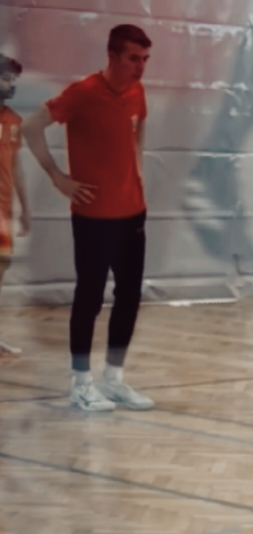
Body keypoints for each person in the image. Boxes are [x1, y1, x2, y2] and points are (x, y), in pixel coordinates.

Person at [23, 24, 156, 411]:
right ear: (112, 56)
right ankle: (80, 383)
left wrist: (137, 173)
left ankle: (113, 378)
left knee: (129, 296)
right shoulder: (83, 93)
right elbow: (31, 127)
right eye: (133, 58)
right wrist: (56, 176)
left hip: (132, 213)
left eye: (145, 59)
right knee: (90, 297)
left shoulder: (137, 91)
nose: (140, 67)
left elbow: (138, 129)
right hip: (94, 218)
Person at [0, 55, 31, 359]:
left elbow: (17, 165)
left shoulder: (13, 121)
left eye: (13, 80)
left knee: (1, 267)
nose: (11, 85)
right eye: (7, 78)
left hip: (4, 211)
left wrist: (26, 207)